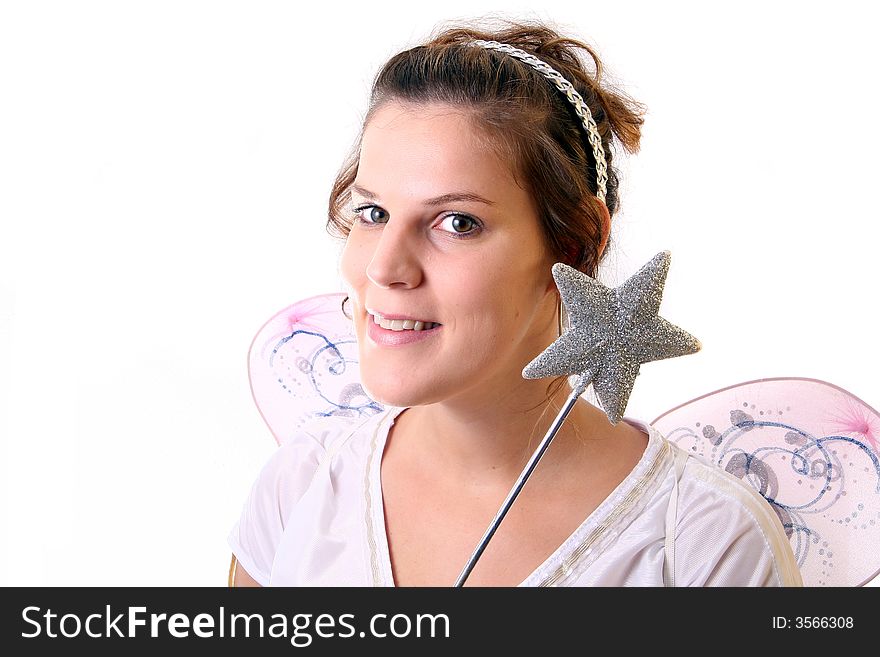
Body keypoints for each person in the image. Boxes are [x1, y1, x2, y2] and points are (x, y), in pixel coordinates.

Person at [227, 19, 803, 587]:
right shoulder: (301, 486)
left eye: (457, 222)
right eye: (372, 213)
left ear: (574, 245)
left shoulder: (705, 546)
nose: (384, 268)